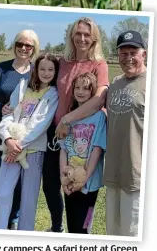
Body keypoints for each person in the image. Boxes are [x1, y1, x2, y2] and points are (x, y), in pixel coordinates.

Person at [43, 17, 109, 232]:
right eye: (78, 33)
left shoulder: (99, 65)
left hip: (87, 135)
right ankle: (59, 226)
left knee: (85, 186)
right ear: (72, 35)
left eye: (87, 34)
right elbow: (44, 82)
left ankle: (83, 232)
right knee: (57, 183)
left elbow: (99, 100)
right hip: (59, 134)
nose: (82, 38)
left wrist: (67, 119)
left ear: (94, 38)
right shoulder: (62, 62)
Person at [0, 53, 59, 231]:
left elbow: (41, 125)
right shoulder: (22, 87)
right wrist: (8, 138)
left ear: (56, 72)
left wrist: (19, 145)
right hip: (10, 149)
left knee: (29, 198)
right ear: (35, 70)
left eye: (50, 69)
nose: (46, 72)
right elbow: (9, 115)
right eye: (42, 68)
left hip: (33, 151)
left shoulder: (53, 94)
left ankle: (24, 234)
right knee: (4, 193)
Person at [0, 29, 40, 228]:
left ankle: (13, 219)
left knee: (19, 183)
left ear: (33, 49)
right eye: (20, 44)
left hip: (23, 138)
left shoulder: (36, 73)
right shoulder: (1, 69)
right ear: (14, 46)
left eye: (28, 45)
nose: (23, 48)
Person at [103, 30, 147, 236]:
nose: (128, 58)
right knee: (113, 229)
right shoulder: (115, 83)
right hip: (113, 168)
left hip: (136, 173)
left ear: (143, 54)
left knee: (132, 233)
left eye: (133, 53)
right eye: (123, 53)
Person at [59, 72, 106, 234]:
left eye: (86, 88)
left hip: (90, 182)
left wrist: (84, 179)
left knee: (84, 225)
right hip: (70, 178)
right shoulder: (69, 117)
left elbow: (97, 150)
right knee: (72, 223)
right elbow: (63, 149)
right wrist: (63, 177)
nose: (80, 91)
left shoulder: (99, 117)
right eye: (77, 88)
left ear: (92, 93)